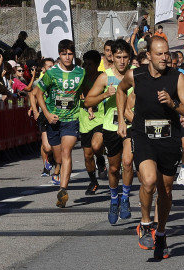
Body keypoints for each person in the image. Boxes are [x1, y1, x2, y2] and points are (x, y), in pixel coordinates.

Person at [116, 36, 184, 259]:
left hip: (169, 139)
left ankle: (161, 233)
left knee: (166, 190)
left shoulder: (177, 79)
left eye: (167, 53)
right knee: (149, 180)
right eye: (159, 54)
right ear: (148, 56)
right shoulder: (136, 75)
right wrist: (123, 119)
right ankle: (145, 223)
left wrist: (173, 104)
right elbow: (120, 91)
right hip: (143, 136)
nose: (164, 58)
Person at [85, 39, 134, 224]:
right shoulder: (105, 77)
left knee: (128, 163)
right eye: (118, 57)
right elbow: (88, 101)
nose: (122, 61)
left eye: (125, 57)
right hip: (110, 127)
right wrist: (105, 94)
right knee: (114, 168)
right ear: (111, 57)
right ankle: (114, 200)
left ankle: (126, 198)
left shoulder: (135, 75)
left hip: (130, 126)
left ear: (130, 58)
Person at [32, 40, 84, 208]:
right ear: (59, 55)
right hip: (53, 120)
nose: (67, 57)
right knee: (58, 156)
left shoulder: (80, 72)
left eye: (70, 54)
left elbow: (84, 93)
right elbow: (38, 93)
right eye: (64, 54)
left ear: (74, 54)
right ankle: (59, 170)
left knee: (67, 151)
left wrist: (88, 107)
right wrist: (46, 114)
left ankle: (63, 189)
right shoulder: (52, 73)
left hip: (71, 119)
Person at [77, 50, 105, 196]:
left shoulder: (102, 77)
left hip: (100, 116)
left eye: (90, 64)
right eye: (85, 64)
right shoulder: (81, 77)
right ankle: (93, 181)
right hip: (84, 119)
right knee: (88, 155)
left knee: (96, 145)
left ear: (97, 64)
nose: (87, 67)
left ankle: (100, 159)